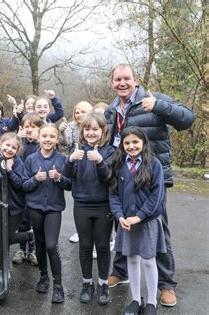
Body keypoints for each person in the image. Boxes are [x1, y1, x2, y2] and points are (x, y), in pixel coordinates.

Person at [105, 64, 195, 307]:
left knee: (156, 229)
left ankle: (166, 286)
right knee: (123, 224)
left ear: (135, 80)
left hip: (152, 177)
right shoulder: (111, 110)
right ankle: (121, 272)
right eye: (117, 79)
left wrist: (159, 106)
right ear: (112, 83)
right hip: (123, 177)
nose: (122, 83)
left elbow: (187, 119)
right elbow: (110, 145)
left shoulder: (152, 99)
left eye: (126, 78)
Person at [109, 126, 167, 315]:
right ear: (122, 145)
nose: (131, 146)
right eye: (127, 143)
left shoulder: (154, 164)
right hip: (126, 221)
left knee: (149, 261)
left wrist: (140, 216)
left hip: (147, 221)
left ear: (143, 143)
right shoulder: (118, 164)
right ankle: (135, 300)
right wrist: (120, 216)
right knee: (132, 260)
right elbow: (114, 195)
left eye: (135, 142)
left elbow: (156, 196)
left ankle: (151, 302)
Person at [62, 113, 115, 305]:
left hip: (103, 206)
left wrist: (100, 161)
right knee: (85, 246)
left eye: (95, 129)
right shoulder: (77, 150)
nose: (91, 133)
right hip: (82, 206)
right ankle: (87, 284)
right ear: (82, 132)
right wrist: (70, 160)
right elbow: (66, 176)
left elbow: (108, 178)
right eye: (87, 129)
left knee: (102, 247)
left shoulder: (110, 152)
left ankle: (103, 284)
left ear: (103, 131)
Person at [22, 124, 71, 303]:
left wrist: (59, 178)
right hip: (35, 208)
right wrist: (36, 179)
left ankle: (58, 286)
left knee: (51, 245)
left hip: (53, 209)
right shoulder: (31, 159)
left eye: (52, 136)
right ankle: (44, 277)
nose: (48, 139)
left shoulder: (63, 160)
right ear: (39, 138)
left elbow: (70, 184)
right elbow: (24, 185)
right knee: (40, 244)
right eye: (44, 136)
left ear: (57, 139)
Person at [58, 101, 93, 244]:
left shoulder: (93, 126)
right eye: (76, 112)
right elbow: (65, 145)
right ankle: (81, 230)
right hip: (76, 164)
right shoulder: (72, 126)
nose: (78, 115)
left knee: (93, 197)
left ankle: (100, 234)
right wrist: (62, 132)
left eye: (82, 112)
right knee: (78, 198)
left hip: (92, 162)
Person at [12, 112, 41, 265]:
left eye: (33, 127)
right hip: (21, 188)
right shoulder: (19, 145)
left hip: (36, 188)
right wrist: (18, 137)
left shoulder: (41, 145)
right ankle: (21, 249)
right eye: (26, 127)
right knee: (23, 221)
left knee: (34, 220)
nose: (29, 130)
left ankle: (33, 250)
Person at [0, 133, 34, 254]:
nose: (9, 149)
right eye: (7, 145)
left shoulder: (17, 163)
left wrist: (9, 170)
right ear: (0, 144)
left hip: (14, 207)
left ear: (17, 151)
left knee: (7, 238)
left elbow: (19, 184)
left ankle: (30, 236)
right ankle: (2, 266)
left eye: (14, 148)